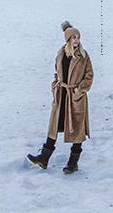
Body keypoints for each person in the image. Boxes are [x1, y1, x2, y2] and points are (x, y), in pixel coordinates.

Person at [26, 21, 94, 174]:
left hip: (75, 97)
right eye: (73, 37)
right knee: (54, 127)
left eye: (78, 37)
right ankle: (44, 158)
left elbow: (89, 76)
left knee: (77, 129)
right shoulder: (60, 53)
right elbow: (57, 73)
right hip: (61, 95)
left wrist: (79, 90)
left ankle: (73, 163)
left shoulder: (83, 56)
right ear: (68, 39)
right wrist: (55, 85)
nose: (76, 40)